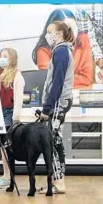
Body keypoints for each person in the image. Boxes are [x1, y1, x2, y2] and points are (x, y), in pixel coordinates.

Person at [38, 20, 74, 194]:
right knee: (55, 141)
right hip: (61, 101)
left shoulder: (61, 51)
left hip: (59, 102)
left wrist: (46, 108)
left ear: (59, 33)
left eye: (50, 31)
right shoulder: (62, 50)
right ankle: (56, 181)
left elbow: (57, 82)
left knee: (52, 142)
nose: (47, 35)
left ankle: (59, 182)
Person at [33, 9, 93, 89]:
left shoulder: (83, 40)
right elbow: (51, 82)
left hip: (82, 94)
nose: (72, 32)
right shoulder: (43, 50)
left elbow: (87, 78)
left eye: (74, 27)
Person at [0, 48, 25, 189]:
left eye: (5, 56)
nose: (1, 59)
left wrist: (16, 118)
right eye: (0, 56)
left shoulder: (17, 76)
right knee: (1, 145)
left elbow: (18, 99)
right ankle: (6, 175)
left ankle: (7, 177)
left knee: (6, 145)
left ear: (12, 59)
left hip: (9, 113)